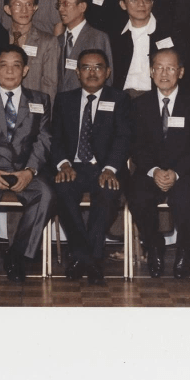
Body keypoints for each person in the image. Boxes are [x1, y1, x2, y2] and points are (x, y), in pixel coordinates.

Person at [0, 45, 56, 282]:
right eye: (3, 65)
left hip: (26, 171)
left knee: (46, 194)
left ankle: (18, 256)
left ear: (25, 70)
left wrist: (30, 171)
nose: (9, 71)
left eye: (16, 66)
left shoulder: (40, 100)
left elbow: (44, 140)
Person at [49, 49, 131, 285]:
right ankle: (90, 258)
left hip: (105, 167)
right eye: (86, 67)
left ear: (108, 72)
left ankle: (83, 257)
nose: (92, 72)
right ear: (77, 72)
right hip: (72, 167)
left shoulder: (120, 99)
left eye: (98, 67)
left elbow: (124, 137)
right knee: (62, 190)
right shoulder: (64, 100)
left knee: (107, 193)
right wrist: (63, 164)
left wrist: (110, 168)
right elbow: (54, 138)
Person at [127, 48, 190, 279]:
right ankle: (154, 246)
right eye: (159, 68)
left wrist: (176, 172)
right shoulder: (138, 105)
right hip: (149, 171)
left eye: (170, 68)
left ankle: (184, 250)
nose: (164, 73)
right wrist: (154, 171)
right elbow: (135, 146)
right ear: (151, 72)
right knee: (138, 196)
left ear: (180, 72)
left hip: (186, 172)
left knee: (187, 198)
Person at [110, 0, 173, 95]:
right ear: (123, 4)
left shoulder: (168, 33)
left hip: (155, 96)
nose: (141, 4)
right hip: (122, 96)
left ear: (152, 2)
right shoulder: (114, 36)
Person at [2, 0, 58, 101]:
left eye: (29, 4)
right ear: (7, 9)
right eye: (18, 4)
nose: (24, 10)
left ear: (35, 8)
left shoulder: (47, 42)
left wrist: (42, 110)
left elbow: (50, 84)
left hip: (32, 106)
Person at [54, 0, 114, 93]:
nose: (61, 9)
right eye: (59, 4)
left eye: (66, 4)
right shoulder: (57, 40)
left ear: (82, 7)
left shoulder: (98, 37)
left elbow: (107, 79)